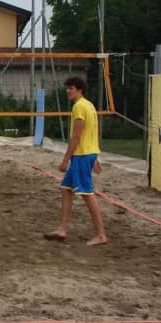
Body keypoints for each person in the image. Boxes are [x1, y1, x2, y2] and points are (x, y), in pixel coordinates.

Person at [44, 76, 106, 246]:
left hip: (82, 156)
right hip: (87, 154)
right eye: (67, 88)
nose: (67, 91)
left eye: (70, 88)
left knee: (87, 193)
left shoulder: (79, 106)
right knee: (65, 189)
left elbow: (76, 136)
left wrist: (65, 160)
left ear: (79, 89)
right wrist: (95, 156)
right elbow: (91, 132)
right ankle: (62, 229)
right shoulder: (89, 105)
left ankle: (101, 235)